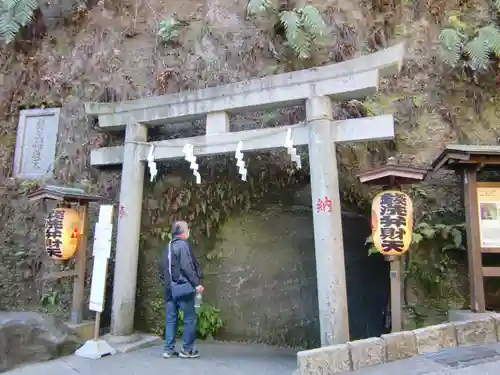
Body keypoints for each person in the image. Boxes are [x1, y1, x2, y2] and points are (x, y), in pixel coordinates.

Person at [160, 220, 204, 359]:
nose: (188, 231)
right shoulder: (182, 246)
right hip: (183, 288)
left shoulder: (167, 247)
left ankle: (168, 349)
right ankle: (187, 349)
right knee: (189, 318)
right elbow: (187, 266)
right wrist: (196, 283)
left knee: (171, 319)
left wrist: (168, 285)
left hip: (169, 290)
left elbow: (161, 269)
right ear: (182, 232)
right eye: (187, 229)